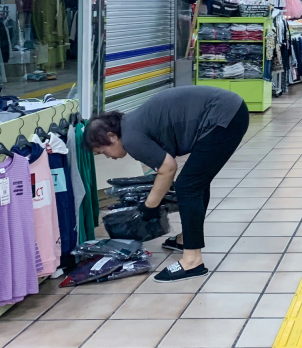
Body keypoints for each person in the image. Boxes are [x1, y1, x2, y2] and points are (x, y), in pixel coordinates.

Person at [85, 87, 249, 282]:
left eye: (103, 151)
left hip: (224, 117)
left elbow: (168, 168)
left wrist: (149, 206)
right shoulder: (131, 125)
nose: (108, 157)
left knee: (188, 187)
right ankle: (186, 239)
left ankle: (192, 261)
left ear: (112, 137)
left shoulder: (131, 138)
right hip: (229, 111)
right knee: (195, 183)